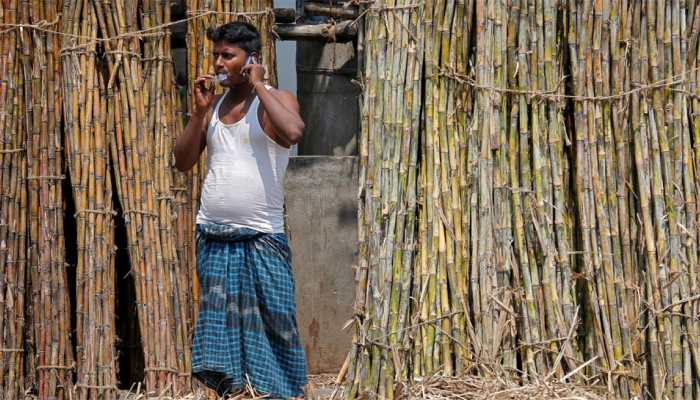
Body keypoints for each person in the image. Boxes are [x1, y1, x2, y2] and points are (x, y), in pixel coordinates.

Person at [174, 21, 307, 399]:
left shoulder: (277, 100)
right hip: (213, 238)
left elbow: (293, 132)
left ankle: (281, 393)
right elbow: (183, 161)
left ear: (251, 59)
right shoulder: (212, 107)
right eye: (216, 54)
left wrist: (260, 85)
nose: (218, 62)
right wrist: (199, 113)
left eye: (227, 55)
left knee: (278, 327)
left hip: (263, 238)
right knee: (224, 337)